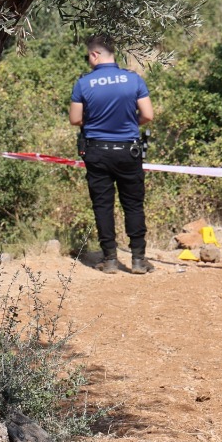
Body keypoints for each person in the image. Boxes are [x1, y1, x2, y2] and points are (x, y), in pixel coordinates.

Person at [69, 34, 155, 275]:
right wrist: (129, 121)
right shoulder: (133, 80)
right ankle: (138, 260)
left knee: (103, 206)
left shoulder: (84, 83)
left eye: (89, 55)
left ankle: (109, 261)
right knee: (134, 205)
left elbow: (75, 119)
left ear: (95, 54)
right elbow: (148, 115)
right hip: (128, 150)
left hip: (97, 152)